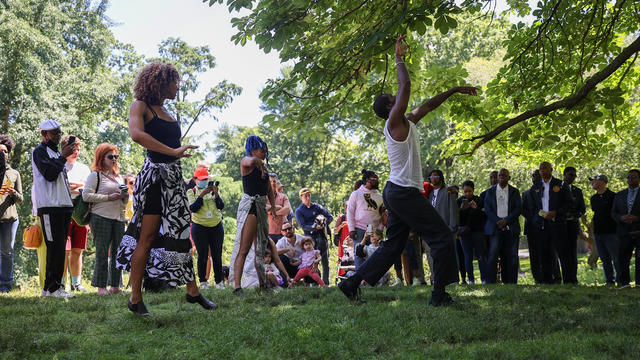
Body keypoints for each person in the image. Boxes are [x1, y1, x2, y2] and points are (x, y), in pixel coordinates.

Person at [339, 35, 475, 305]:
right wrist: (399, 57)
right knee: (441, 236)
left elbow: (427, 105)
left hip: (398, 192)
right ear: (391, 106)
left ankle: (352, 283)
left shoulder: (407, 121)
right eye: (394, 97)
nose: (397, 94)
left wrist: (455, 90)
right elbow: (406, 84)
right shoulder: (393, 123)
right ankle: (439, 295)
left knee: (393, 245)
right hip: (403, 192)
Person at [116, 62, 215, 316]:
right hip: (154, 182)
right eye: (174, 82)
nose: (177, 86)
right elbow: (137, 135)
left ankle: (192, 291)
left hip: (172, 179)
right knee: (146, 238)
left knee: (182, 232)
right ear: (160, 82)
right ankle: (135, 298)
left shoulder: (165, 110)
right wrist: (173, 152)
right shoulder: (140, 106)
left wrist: (175, 156)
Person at [32, 120, 76, 298]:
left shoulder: (56, 152)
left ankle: (51, 288)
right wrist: (63, 157)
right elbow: (49, 175)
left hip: (63, 206)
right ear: (44, 134)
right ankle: (52, 288)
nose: (58, 135)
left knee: (60, 248)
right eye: (53, 132)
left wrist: (61, 155)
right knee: (54, 248)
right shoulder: (39, 151)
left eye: (59, 132)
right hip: (50, 207)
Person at [229, 135, 278, 294]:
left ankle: (263, 285)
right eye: (261, 150)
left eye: (265, 150)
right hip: (250, 206)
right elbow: (250, 161)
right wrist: (260, 164)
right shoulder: (246, 163)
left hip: (261, 206)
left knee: (260, 249)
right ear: (253, 149)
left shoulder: (264, 169)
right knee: (244, 248)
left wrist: (274, 207)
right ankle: (237, 286)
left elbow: (269, 190)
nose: (264, 153)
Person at [82, 143, 128, 295]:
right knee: (102, 252)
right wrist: (109, 197)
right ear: (102, 158)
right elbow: (86, 195)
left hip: (119, 218)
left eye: (116, 156)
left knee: (118, 252)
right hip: (101, 217)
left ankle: (115, 286)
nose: (114, 159)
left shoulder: (120, 177)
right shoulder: (95, 175)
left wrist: (125, 197)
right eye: (110, 156)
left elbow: (123, 203)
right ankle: (101, 287)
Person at [529, 161, 572, 284]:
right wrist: (543, 215)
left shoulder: (560, 184)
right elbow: (533, 207)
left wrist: (556, 213)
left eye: (545, 168)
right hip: (542, 225)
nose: (542, 170)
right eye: (540, 168)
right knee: (544, 253)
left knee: (563, 252)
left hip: (558, 223)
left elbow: (569, 203)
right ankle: (547, 280)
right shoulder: (535, 187)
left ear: (551, 169)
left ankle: (569, 280)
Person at [187, 166, 225, 290]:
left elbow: (221, 206)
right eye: (202, 179)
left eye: (206, 179)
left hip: (216, 226)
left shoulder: (213, 191)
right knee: (202, 255)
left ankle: (219, 282)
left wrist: (216, 194)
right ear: (195, 179)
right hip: (199, 227)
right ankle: (203, 282)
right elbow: (193, 208)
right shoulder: (191, 192)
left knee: (217, 255)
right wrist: (202, 195)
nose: (204, 181)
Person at [62, 135, 91, 292]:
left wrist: (74, 185)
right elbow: (62, 185)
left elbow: (88, 188)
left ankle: (76, 283)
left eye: (79, 149)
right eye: (74, 149)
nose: (76, 152)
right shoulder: (59, 166)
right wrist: (79, 186)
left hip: (81, 211)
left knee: (78, 249)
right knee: (64, 250)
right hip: (63, 210)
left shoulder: (84, 168)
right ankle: (61, 283)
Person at [483, 169, 522, 284]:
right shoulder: (490, 192)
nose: (501, 177)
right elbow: (488, 209)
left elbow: (518, 209)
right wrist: (498, 221)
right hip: (494, 228)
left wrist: (506, 221)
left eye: (504, 175)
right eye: (500, 175)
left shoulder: (515, 192)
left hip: (511, 227)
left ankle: (510, 281)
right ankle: (491, 281)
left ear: (509, 177)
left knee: (511, 255)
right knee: (493, 255)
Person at [347, 169, 384, 270]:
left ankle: (374, 280)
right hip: (359, 229)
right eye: (374, 178)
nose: (377, 180)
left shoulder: (380, 197)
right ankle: (360, 280)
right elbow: (350, 212)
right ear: (367, 180)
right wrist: (351, 229)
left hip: (375, 231)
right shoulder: (356, 194)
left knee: (375, 255)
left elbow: (383, 215)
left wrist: (380, 229)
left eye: (377, 178)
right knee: (359, 254)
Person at [295, 187, 333, 285]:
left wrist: (323, 224)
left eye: (309, 195)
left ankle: (326, 283)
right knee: (312, 263)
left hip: (322, 237)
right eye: (305, 196)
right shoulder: (299, 211)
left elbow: (330, 217)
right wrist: (315, 227)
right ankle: (315, 284)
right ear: (301, 197)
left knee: (325, 262)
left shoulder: (317, 207)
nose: (308, 198)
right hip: (310, 241)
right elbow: (303, 226)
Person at [428, 170, 459, 283]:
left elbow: (453, 210)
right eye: (431, 176)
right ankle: (440, 279)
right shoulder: (431, 194)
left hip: (448, 229)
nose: (433, 178)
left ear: (440, 177)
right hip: (435, 231)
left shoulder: (448, 191)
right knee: (438, 256)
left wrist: (452, 227)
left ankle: (454, 280)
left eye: (436, 176)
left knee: (451, 255)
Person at [0, 135, 22, 293]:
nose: (3, 154)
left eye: (5, 151)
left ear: (9, 153)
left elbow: (20, 199)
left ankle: (5, 286)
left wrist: (13, 192)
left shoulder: (14, 173)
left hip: (10, 220)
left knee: (7, 252)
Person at [611, 169, 640, 287]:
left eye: (633, 177)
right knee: (623, 257)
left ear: (639, 179)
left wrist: (637, 218)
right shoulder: (620, 195)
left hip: (638, 230)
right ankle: (624, 283)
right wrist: (621, 218)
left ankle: (639, 283)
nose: (630, 179)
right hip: (623, 231)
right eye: (628, 177)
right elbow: (613, 212)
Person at [589, 174, 619, 285]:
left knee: (616, 258)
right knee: (605, 259)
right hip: (598, 233)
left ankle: (621, 281)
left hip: (611, 233)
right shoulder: (593, 198)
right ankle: (609, 281)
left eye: (594, 180)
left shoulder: (613, 196)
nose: (592, 183)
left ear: (602, 182)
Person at [457, 180, 487, 284]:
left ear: (473, 190)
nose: (467, 194)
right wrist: (461, 210)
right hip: (464, 234)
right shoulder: (459, 201)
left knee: (481, 255)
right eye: (465, 191)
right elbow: (457, 220)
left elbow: (484, 217)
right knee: (467, 256)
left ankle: (484, 279)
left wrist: (477, 209)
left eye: (469, 191)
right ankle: (470, 279)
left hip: (477, 232)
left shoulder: (479, 200)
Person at [560, 166, 585, 284]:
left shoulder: (577, 191)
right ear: (564, 175)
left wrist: (574, 215)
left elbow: (582, 209)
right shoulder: (557, 188)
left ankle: (573, 279)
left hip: (573, 225)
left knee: (572, 253)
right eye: (570, 175)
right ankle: (565, 279)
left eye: (574, 175)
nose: (573, 178)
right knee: (563, 253)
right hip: (560, 225)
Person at [522, 170, 543, 283]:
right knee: (534, 255)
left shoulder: (546, 191)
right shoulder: (525, 194)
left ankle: (551, 277)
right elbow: (522, 209)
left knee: (547, 253)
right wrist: (533, 218)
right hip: (531, 227)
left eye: (538, 176)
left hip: (545, 226)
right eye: (534, 176)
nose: (535, 178)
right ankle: (537, 278)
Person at [267, 173, 291, 242]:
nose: (272, 183)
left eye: (274, 181)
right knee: (270, 252)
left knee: (283, 252)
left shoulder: (283, 196)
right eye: (270, 181)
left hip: (283, 232)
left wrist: (273, 212)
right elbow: (263, 209)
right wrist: (278, 207)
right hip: (269, 232)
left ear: (277, 182)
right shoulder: (263, 197)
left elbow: (288, 209)